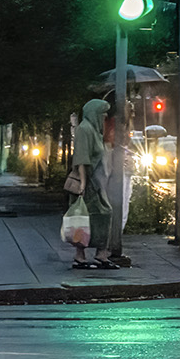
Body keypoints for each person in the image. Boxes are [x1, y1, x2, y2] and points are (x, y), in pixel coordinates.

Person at [71, 99, 118, 269]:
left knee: (94, 216)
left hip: (96, 181)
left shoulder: (94, 130)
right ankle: (86, 254)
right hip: (89, 182)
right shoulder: (85, 129)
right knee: (91, 216)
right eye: (102, 114)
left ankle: (96, 253)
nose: (104, 118)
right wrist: (83, 184)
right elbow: (81, 159)